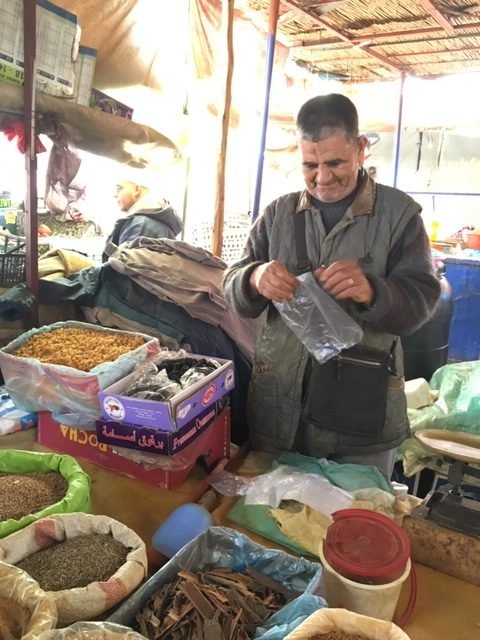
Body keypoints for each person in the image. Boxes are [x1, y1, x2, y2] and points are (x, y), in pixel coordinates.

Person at [223, 93, 441, 478]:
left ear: (360, 150)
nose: (322, 177)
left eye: (335, 162)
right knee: (271, 520)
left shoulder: (399, 215)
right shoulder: (277, 214)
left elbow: (423, 299)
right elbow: (232, 285)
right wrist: (254, 277)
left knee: (354, 520)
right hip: (278, 410)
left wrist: (375, 290)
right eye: (310, 165)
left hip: (359, 421)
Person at [102, 167, 183, 262]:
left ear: (136, 189)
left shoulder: (141, 225)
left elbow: (125, 269)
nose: (115, 195)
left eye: (119, 189)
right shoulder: (156, 222)